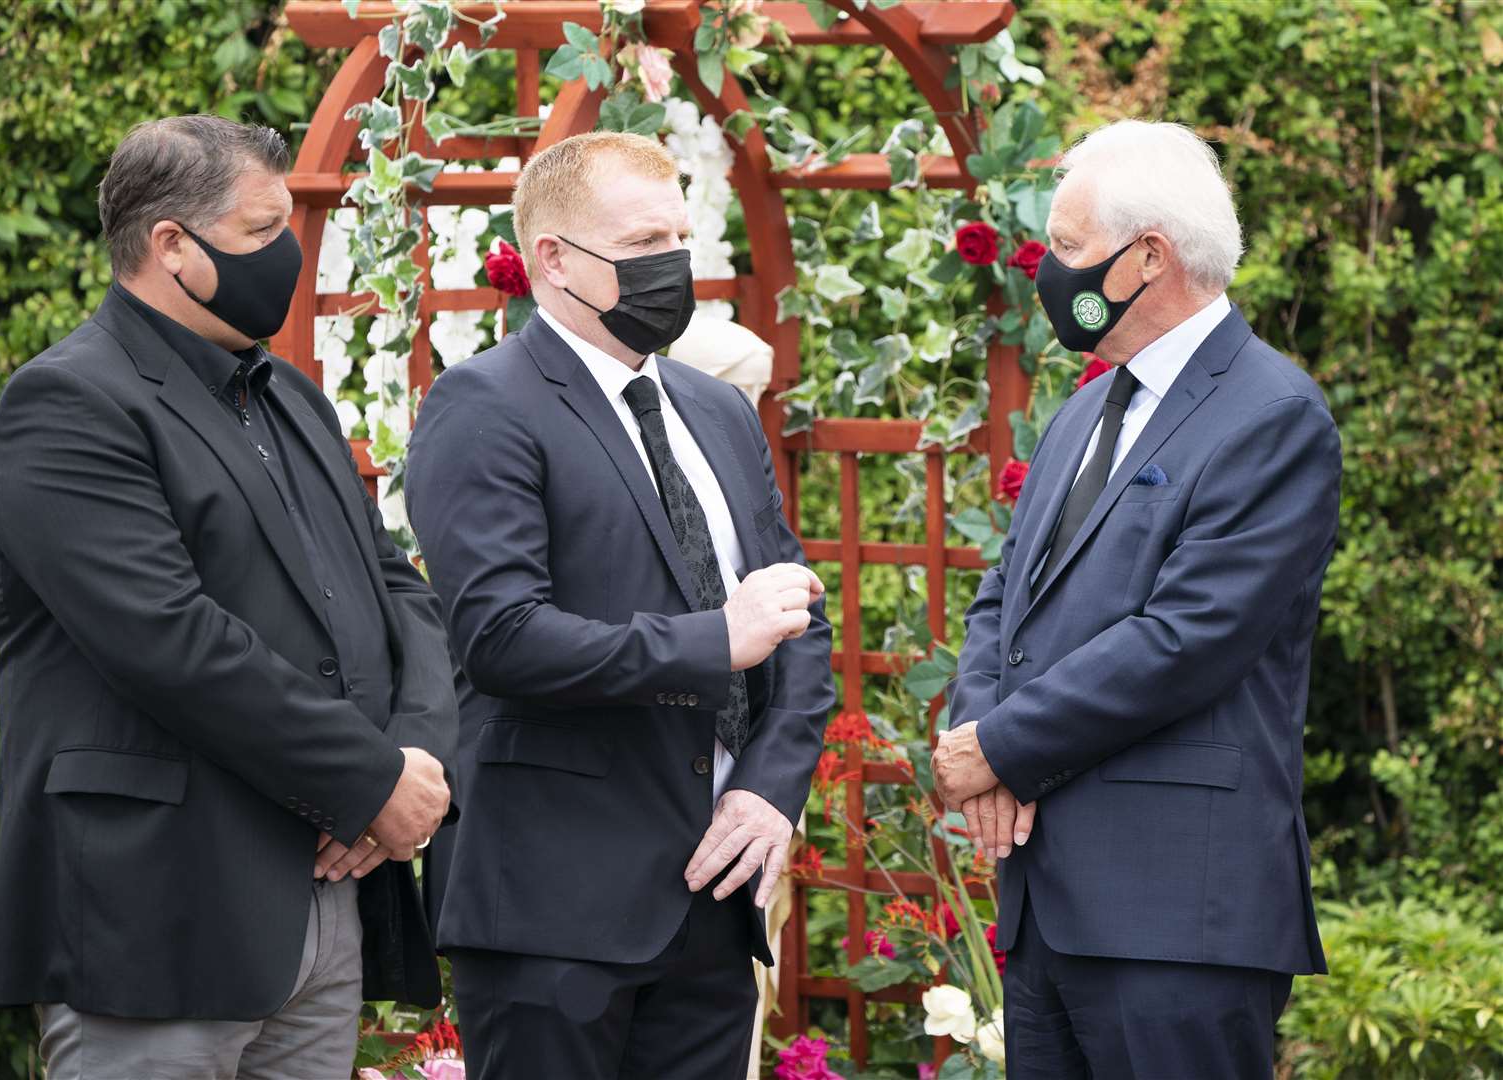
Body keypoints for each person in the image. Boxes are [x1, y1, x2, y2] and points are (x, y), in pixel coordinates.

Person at [0, 114, 458, 1079]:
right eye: (261, 230)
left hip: (323, 898)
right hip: (158, 912)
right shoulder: (69, 403)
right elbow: (170, 642)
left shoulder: (288, 395)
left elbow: (396, 587)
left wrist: (413, 756)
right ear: (170, 246)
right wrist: (366, 783)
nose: (285, 252)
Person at [406, 131, 836, 1080]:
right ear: (553, 260)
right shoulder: (484, 405)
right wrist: (714, 641)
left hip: (712, 900)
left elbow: (795, 614)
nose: (673, 266)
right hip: (553, 909)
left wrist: (770, 789)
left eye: (681, 236)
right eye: (644, 245)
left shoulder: (714, 409)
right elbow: (499, 637)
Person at [931, 120, 1339, 1078]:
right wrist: (979, 734)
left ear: (1147, 256)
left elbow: (1187, 639)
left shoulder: (1273, 417)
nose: (1049, 267)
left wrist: (1001, 748)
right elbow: (1007, 594)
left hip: (1177, 917)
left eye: (1069, 248)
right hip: (1049, 903)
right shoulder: (1087, 406)